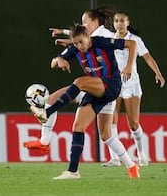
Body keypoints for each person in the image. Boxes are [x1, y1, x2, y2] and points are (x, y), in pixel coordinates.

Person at [30, 24, 140, 180]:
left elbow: (131, 44)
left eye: (81, 42)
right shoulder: (75, 49)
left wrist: (129, 66)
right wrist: (59, 59)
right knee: (97, 132)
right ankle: (76, 171)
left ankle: (47, 112)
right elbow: (54, 62)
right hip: (96, 91)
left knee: (79, 82)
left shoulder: (101, 42)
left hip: (111, 85)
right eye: (75, 43)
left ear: (88, 36)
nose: (79, 46)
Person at [23, 8, 115, 151]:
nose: (83, 25)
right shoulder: (85, 39)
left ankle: (128, 160)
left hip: (108, 87)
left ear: (96, 21)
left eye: (85, 21)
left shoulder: (105, 36)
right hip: (91, 86)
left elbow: (122, 42)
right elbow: (57, 59)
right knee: (52, 99)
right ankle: (44, 142)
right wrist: (59, 57)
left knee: (107, 133)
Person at [101, 12, 165, 167]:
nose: (119, 24)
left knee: (133, 123)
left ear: (128, 23)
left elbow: (147, 57)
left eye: (122, 21)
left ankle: (141, 154)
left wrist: (158, 73)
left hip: (131, 84)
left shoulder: (135, 40)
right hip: (114, 83)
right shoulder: (110, 39)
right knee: (111, 120)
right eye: (116, 21)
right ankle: (115, 158)